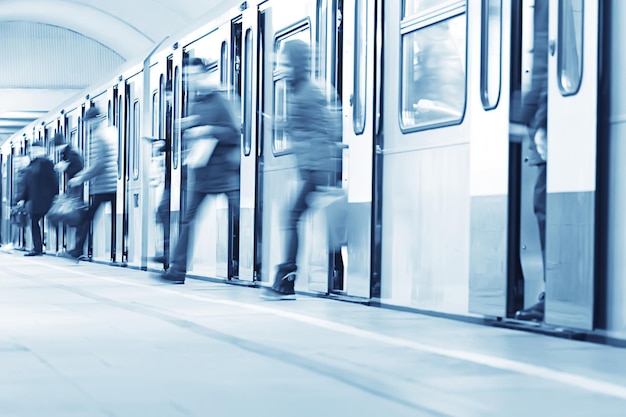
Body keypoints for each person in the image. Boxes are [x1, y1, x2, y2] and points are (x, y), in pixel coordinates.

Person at [261, 40, 342, 300]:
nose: (280, 68)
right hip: (313, 167)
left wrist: (322, 173)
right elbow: (308, 128)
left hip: (316, 169)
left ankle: (286, 280)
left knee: (291, 217)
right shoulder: (301, 90)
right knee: (304, 219)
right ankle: (295, 277)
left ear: (296, 63)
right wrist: (282, 126)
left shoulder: (309, 92)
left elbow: (325, 131)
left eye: (284, 63)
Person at [158, 57, 240, 284]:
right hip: (201, 173)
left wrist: (208, 129)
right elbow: (196, 133)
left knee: (243, 215)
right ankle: (177, 270)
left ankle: (260, 261)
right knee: (187, 220)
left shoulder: (220, 100)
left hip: (224, 173)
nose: (189, 80)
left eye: (192, 76)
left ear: (204, 74)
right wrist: (189, 130)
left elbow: (234, 133)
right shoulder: (194, 103)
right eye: (186, 77)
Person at [515, 0, 548, 321]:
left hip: (552, 113)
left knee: (545, 204)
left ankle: (555, 292)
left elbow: (549, 58)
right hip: (550, 109)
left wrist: (535, 116)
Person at [65, 106, 117, 260]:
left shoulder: (98, 136)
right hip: (115, 183)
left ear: (94, 120)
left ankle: (79, 248)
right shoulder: (112, 131)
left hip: (104, 185)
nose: (88, 125)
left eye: (88, 122)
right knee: (115, 217)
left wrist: (80, 178)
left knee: (87, 216)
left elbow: (98, 164)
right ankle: (115, 249)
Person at [17, 142, 58, 256]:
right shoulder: (32, 165)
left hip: (46, 198)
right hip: (36, 199)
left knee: (41, 221)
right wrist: (23, 199)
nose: (33, 152)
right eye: (32, 150)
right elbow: (27, 184)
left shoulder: (46, 163)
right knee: (35, 221)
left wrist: (55, 195)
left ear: (42, 150)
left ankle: (49, 246)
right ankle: (38, 247)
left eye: (36, 150)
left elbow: (53, 181)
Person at [1, 155, 31, 253]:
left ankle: (14, 243)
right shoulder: (20, 173)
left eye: (18, 162)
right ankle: (20, 243)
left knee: (18, 222)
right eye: (15, 162)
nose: (16, 164)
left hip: (21, 201)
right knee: (19, 222)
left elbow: (25, 188)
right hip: (18, 200)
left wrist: (22, 199)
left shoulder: (26, 173)